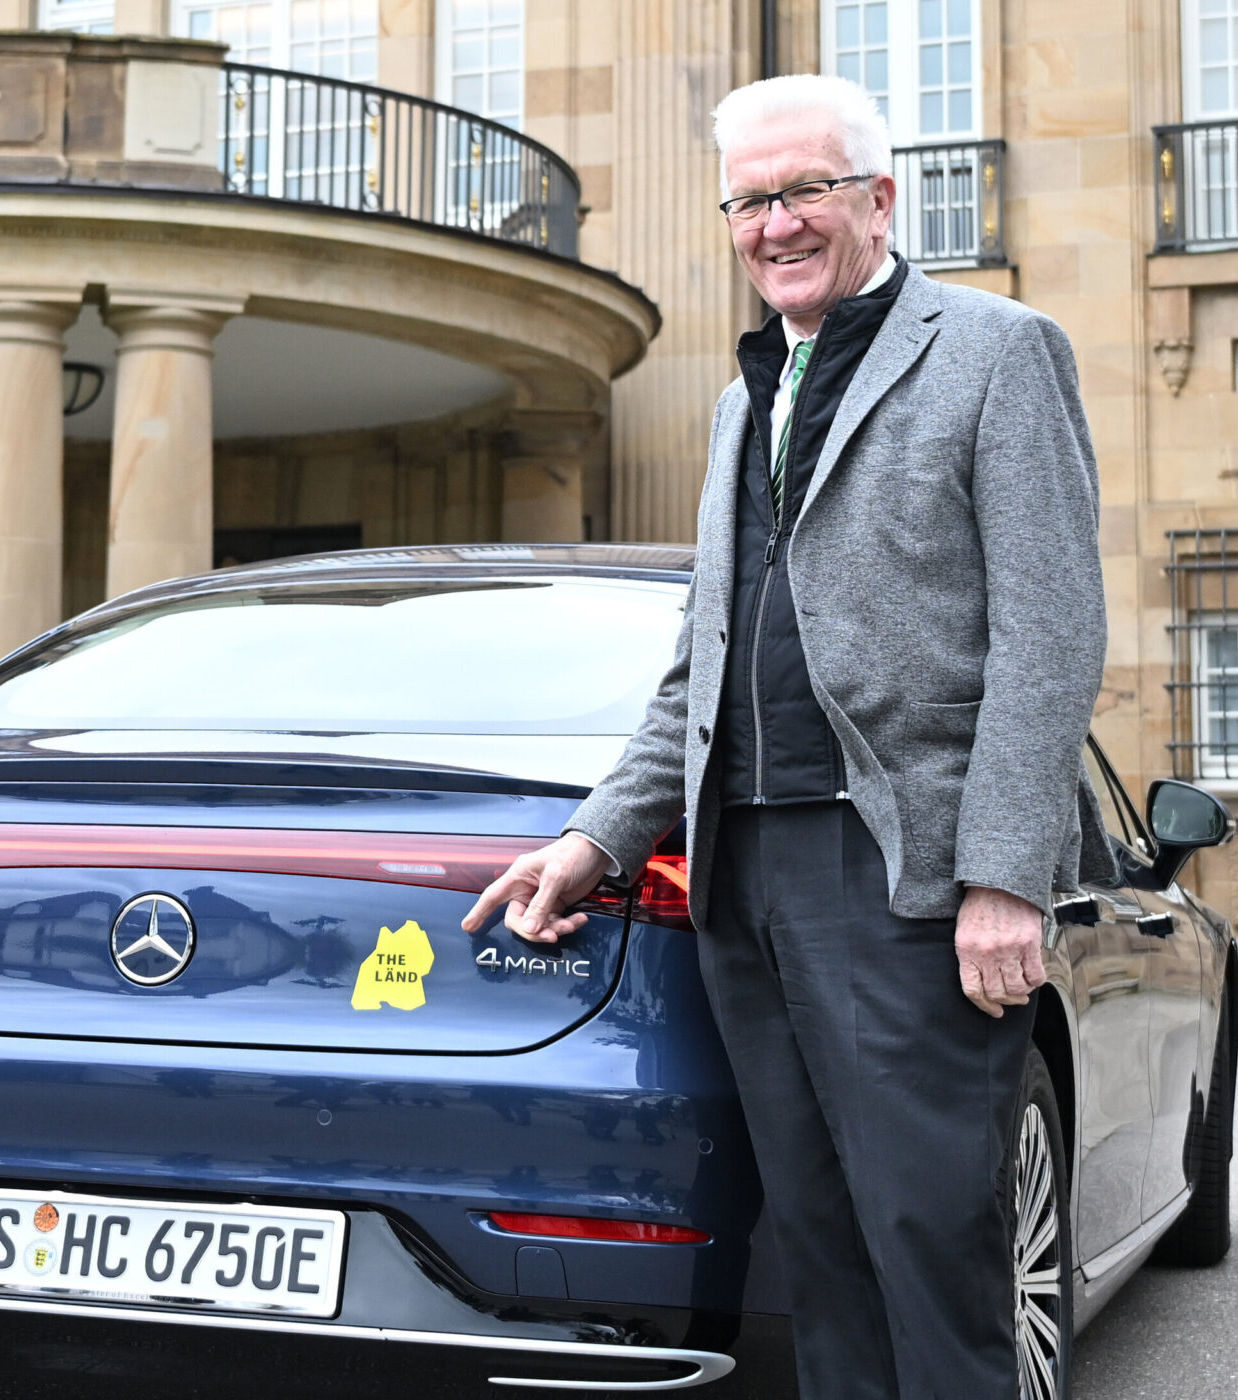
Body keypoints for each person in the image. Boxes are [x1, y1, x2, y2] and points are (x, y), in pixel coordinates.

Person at [463, 73, 1107, 1400]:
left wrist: (1002, 879)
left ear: (877, 196)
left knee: (931, 1250)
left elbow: (1051, 638)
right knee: (816, 1257)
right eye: (750, 201)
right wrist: (597, 836)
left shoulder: (996, 351)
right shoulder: (741, 398)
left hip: (898, 880)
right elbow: (699, 663)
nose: (776, 225)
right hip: (741, 883)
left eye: (804, 189)